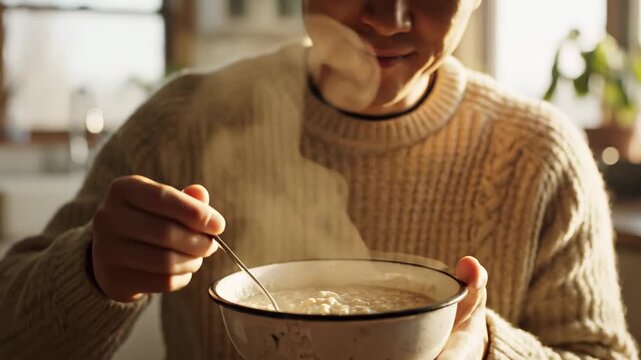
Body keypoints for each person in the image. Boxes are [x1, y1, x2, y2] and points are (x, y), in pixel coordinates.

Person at [1, 0, 638, 359]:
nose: (389, 17)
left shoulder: (538, 155)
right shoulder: (180, 125)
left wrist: (485, 350)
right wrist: (93, 272)